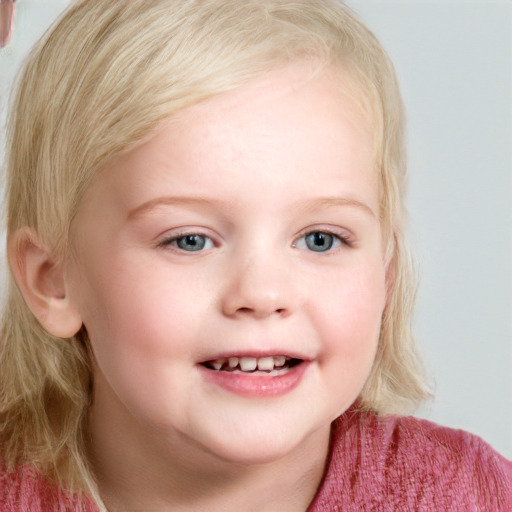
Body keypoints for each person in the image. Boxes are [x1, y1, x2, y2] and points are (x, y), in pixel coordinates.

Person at [0, 1, 510, 511]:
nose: (264, 294)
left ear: (386, 271)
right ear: (53, 279)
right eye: (189, 240)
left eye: (320, 239)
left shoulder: (471, 495)